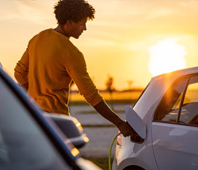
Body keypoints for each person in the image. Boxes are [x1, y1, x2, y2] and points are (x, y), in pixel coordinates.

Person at [14, 0, 135, 137]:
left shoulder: (37, 38)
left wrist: (32, 98)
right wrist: (119, 123)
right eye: (82, 23)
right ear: (69, 22)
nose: (84, 28)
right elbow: (91, 95)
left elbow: (19, 74)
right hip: (57, 122)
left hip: (33, 115)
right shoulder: (71, 53)